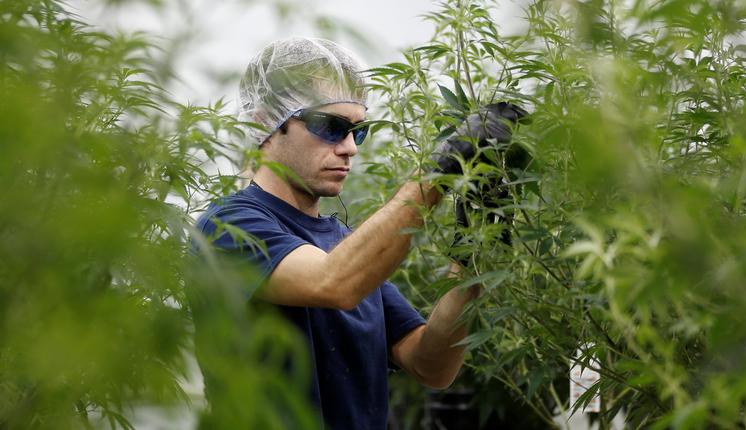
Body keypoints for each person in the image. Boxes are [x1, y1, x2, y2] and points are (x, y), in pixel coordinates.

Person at [195, 36, 524, 429]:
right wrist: (442, 168)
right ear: (266, 122)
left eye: (357, 130)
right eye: (330, 127)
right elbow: (332, 282)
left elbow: (430, 364)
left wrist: (472, 261)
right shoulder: (228, 227)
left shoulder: (345, 245)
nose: (350, 147)